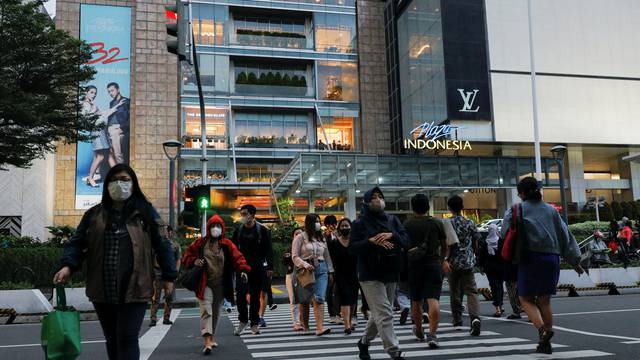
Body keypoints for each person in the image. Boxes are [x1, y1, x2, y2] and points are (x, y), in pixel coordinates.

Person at [54, 164, 177, 360]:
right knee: (112, 339)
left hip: (136, 286)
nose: (120, 183)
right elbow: (77, 243)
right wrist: (67, 266)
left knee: (128, 338)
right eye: (114, 179)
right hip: (103, 288)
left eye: (125, 179)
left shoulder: (145, 213)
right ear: (107, 184)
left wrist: (170, 276)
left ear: (133, 184)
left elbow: (163, 244)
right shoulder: (94, 215)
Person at [501, 177, 583, 354]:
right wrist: (575, 261)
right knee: (545, 301)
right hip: (551, 259)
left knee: (526, 299)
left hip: (529, 258)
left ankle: (543, 331)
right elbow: (565, 236)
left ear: (521, 193)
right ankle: (545, 344)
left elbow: (503, 233)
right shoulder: (551, 211)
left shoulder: (517, 210)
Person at [349, 187, 408, 360]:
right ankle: (394, 351)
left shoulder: (393, 220)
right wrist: (370, 242)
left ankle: (364, 342)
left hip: (390, 270)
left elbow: (406, 240)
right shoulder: (359, 223)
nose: (378, 200)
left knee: (379, 314)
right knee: (385, 313)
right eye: (373, 197)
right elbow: (352, 248)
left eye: (380, 196)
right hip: (369, 274)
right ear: (366, 202)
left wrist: (392, 235)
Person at [182, 215, 250, 354]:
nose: (215, 229)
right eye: (213, 226)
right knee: (206, 310)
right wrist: (194, 261)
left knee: (216, 312)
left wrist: (243, 270)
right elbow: (187, 256)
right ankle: (207, 342)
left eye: (218, 226)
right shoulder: (200, 243)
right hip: (204, 283)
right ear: (208, 228)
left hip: (221, 284)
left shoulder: (227, 244)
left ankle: (211, 337)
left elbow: (238, 258)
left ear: (222, 228)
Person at [403, 194, 446, 348]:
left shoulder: (406, 224)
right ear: (428, 207)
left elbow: (403, 247)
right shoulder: (436, 222)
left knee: (416, 300)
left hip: (414, 266)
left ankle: (419, 330)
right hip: (433, 265)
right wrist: (441, 260)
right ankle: (433, 334)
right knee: (433, 299)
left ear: (412, 207)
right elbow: (444, 244)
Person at [232, 204, 273, 336]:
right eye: (241, 214)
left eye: (245, 214)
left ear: (252, 215)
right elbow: (232, 249)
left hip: (257, 267)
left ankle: (254, 324)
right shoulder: (238, 230)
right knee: (240, 296)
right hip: (242, 267)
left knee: (255, 297)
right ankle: (243, 320)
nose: (242, 216)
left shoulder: (262, 230)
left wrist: (270, 267)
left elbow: (269, 249)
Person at [445, 195, 482, 336]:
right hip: (467, 261)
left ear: (449, 208)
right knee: (471, 291)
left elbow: (445, 243)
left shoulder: (447, 223)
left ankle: (457, 320)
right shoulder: (469, 223)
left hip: (452, 262)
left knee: (454, 291)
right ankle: (475, 318)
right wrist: (474, 254)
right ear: (462, 207)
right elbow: (477, 241)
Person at [292, 214, 334, 336]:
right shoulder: (300, 237)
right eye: (315, 221)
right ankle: (305, 326)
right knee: (304, 300)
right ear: (308, 223)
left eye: (318, 221)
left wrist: (330, 271)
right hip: (305, 271)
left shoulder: (322, 238)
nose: (317, 224)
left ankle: (319, 327)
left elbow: (327, 256)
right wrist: (304, 264)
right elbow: (295, 256)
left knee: (319, 298)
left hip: (321, 268)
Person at [81, 85, 125, 186]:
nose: (94, 95)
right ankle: (90, 178)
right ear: (86, 92)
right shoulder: (86, 104)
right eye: (92, 92)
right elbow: (87, 119)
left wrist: (117, 106)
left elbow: (103, 114)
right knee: (100, 156)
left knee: (109, 154)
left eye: (95, 93)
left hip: (102, 130)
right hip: (97, 131)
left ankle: (118, 178)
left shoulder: (91, 104)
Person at [328, 218, 359, 334]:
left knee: (353, 298)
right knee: (345, 297)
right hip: (340, 274)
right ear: (339, 228)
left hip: (354, 273)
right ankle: (346, 325)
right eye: (342, 226)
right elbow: (330, 259)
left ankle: (349, 322)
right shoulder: (334, 243)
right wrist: (330, 273)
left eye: (347, 226)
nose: (345, 228)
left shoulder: (355, 242)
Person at [149, 226, 182, 326]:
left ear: (170, 232)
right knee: (156, 298)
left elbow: (178, 259)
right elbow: (152, 258)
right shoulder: (156, 244)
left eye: (165, 231)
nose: (163, 233)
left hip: (169, 275)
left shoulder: (175, 245)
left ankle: (166, 318)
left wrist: (175, 272)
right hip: (158, 274)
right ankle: (153, 319)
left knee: (169, 297)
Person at [480, 223, 505, 317]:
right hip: (501, 267)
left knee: (494, 287)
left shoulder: (485, 242)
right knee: (500, 286)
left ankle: (498, 307)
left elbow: (482, 257)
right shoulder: (501, 242)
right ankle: (500, 305)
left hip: (490, 268)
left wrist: (481, 267)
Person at [283, 227, 304, 331]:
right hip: (291, 275)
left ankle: (303, 321)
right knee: (293, 299)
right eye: (296, 234)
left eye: (301, 234)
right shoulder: (289, 249)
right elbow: (286, 262)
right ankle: (296, 322)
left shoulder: (306, 248)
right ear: (293, 236)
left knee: (304, 299)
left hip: (304, 275)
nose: (299, 236)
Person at [106, 82, 130, 165]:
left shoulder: (126, 101)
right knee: (110, 153)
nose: (110, 93)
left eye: (112, 90)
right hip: (109, 129)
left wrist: (122, 127)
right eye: (109, 91)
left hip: (117, 129)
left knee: (118, 154)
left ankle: (121, 173)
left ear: (118, 90)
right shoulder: (111, 103)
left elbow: (130, 117)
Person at [324, 214, 341, 325]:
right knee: (329, 291)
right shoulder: (322, 236)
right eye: (329, 224)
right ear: (325, 225)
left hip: (340, 266)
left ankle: (339, 313)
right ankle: (332, 314)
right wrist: (328, 237)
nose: (332, 226)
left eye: (334, 224)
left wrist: (337, 237)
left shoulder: (340, 234)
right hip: (327, 267)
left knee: (338, 290)